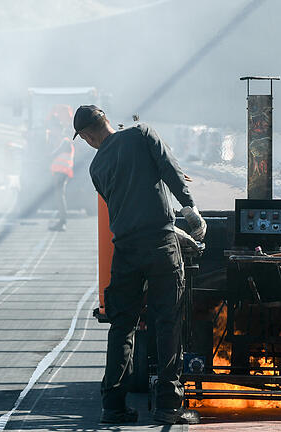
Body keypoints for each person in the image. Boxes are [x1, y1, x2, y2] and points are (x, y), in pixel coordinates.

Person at [74, 105, 206, 425]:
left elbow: (118, 203)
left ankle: (113, 406)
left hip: (125, 251)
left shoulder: (96, 168)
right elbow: (170, 170)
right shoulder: (143, 133)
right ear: (106, 121)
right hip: (160, 244)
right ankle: (167, 405)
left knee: (122, 326)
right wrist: (189, 210)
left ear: (88, 136)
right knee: (167, 323)